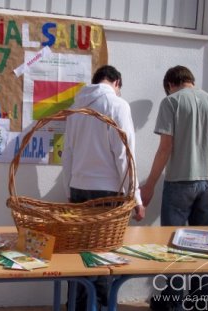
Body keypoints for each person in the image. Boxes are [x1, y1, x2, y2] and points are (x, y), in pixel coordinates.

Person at [140, 65, 208, 311]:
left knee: (175, 246)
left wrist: (149, 185)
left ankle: (174, 302)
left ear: (170, 85)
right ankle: (201, 301)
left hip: (179, 183)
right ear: (190, 80)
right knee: (205, 245)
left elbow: (165, 148)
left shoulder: (171, 103)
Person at [62, 65, 145, 311]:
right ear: (116, 82)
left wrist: (69, 191)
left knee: (78, 255)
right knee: (104, 257)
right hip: (108, 193)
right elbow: (125, 155)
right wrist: (136, 197)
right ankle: (99, 306)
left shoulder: (76, 108)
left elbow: (67, 154)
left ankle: (75, 307)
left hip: (78, 189)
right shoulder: (118, 106)